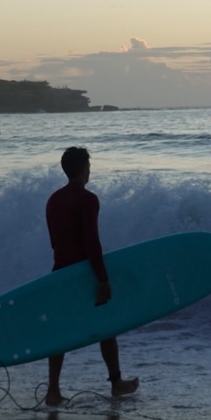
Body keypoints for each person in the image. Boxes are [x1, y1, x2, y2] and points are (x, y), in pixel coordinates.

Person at [44, 147, 139, 406]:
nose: (90, 170)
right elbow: (91, 242)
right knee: (107, 325)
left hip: (60, 273)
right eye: (88, 165)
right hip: (84, 274)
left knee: (60, 331)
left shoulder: (53, 200)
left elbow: (55, 242)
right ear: (82, 168)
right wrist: (102, 279)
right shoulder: (87, 199)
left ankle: (53, 391)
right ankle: (116, 383)